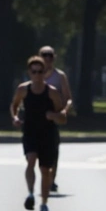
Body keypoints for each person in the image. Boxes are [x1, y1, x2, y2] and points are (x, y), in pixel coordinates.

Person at [10, 55, 68, 211]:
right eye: (34, 71)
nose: (37, 75)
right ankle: (30, 194)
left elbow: (63, 117)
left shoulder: (52, 93)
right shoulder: (23, 89)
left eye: (40, 72)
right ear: (29, 72)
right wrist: (14, 117)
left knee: (45, 170)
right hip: (30, 131)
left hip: (47, 134)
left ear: (45, 73)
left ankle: (44, 203)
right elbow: (14, 105)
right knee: (31, 160)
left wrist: (54, 116)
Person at [38, 45, 73, 193]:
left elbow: (68, 98)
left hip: (53, 116)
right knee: (36, 151)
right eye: (44, 55)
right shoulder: (34, 73)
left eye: (50, 55)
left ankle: (52, 180)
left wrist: (64, 111)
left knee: (53, 150)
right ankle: (44, 178)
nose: (47, 58)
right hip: (37, 116)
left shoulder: (60, 76)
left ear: (54, 58)